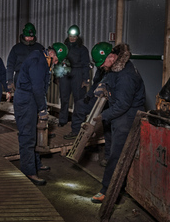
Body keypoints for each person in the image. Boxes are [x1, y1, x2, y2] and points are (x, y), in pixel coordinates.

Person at [90, 43, 145, 204]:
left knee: (117, 155)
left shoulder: (126, 76)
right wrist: (103, 85)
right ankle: (121, 186)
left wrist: (102, 116)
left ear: (111, 57)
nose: (102, 67)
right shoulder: (117, 66)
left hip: (127, 117)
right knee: (115, 150)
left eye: (103, 63)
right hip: (120, 113)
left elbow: (122, 105)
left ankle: (107, 190)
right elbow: (109, 75)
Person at [14, 42, 68, 186]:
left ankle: (36, 164)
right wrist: (43, 109)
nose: (55, 63)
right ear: (51, 53)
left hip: (31, 99)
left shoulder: (42, 60)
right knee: (27, 137)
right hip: (26, 101)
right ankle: (29, 171)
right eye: (56, 60)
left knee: (35, 135)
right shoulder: (37, 60)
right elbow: (37, 87)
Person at [63, 42, 112, 141]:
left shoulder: (119, 72)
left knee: (108, 119)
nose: (102, 66)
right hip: (98, 98)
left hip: (111, 102)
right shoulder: (101, 68)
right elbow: (95, 83)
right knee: (80, 105)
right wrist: (89, 96)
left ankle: (104, 135)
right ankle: (76, 131)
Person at [57, 24, 90, 127]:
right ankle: (63, 120)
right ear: (68, 36)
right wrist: (57, 76)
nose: (72, 38)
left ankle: (78, 121)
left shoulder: (83, 49)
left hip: (78, 73)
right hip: (65, 73)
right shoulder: (63, 48)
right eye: (70, 36)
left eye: (74, 36)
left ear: (77, 37)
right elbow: (58, 62)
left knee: (79, 98)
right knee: (64, 97)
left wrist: (86, 79)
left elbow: (86, 64)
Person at [6, 22, 44, 99]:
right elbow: (10, 65)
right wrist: (9, 80)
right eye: (27, 37)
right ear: (23, 35)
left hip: (35, 78)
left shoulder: (39, 48)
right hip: (20, 78)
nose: (29, 39)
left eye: (31, 37)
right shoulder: (16, 48)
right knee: (21, 101)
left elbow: (45, 65)